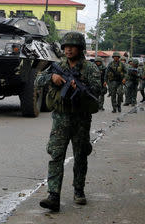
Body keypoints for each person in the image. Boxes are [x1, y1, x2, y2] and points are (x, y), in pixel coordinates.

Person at [37, 32, 100, 212]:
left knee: (80, 156)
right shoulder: (58, 66)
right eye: (66, 46)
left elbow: (96, 91)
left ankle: (78, 190)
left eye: (72, 46)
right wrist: (52, 78)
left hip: (81, 119)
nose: (68, 49)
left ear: (80, 49)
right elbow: (38, 79)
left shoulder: (90, 69)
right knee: (56, 155)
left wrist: (80, 88)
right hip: (60, 119)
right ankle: (53, 195)